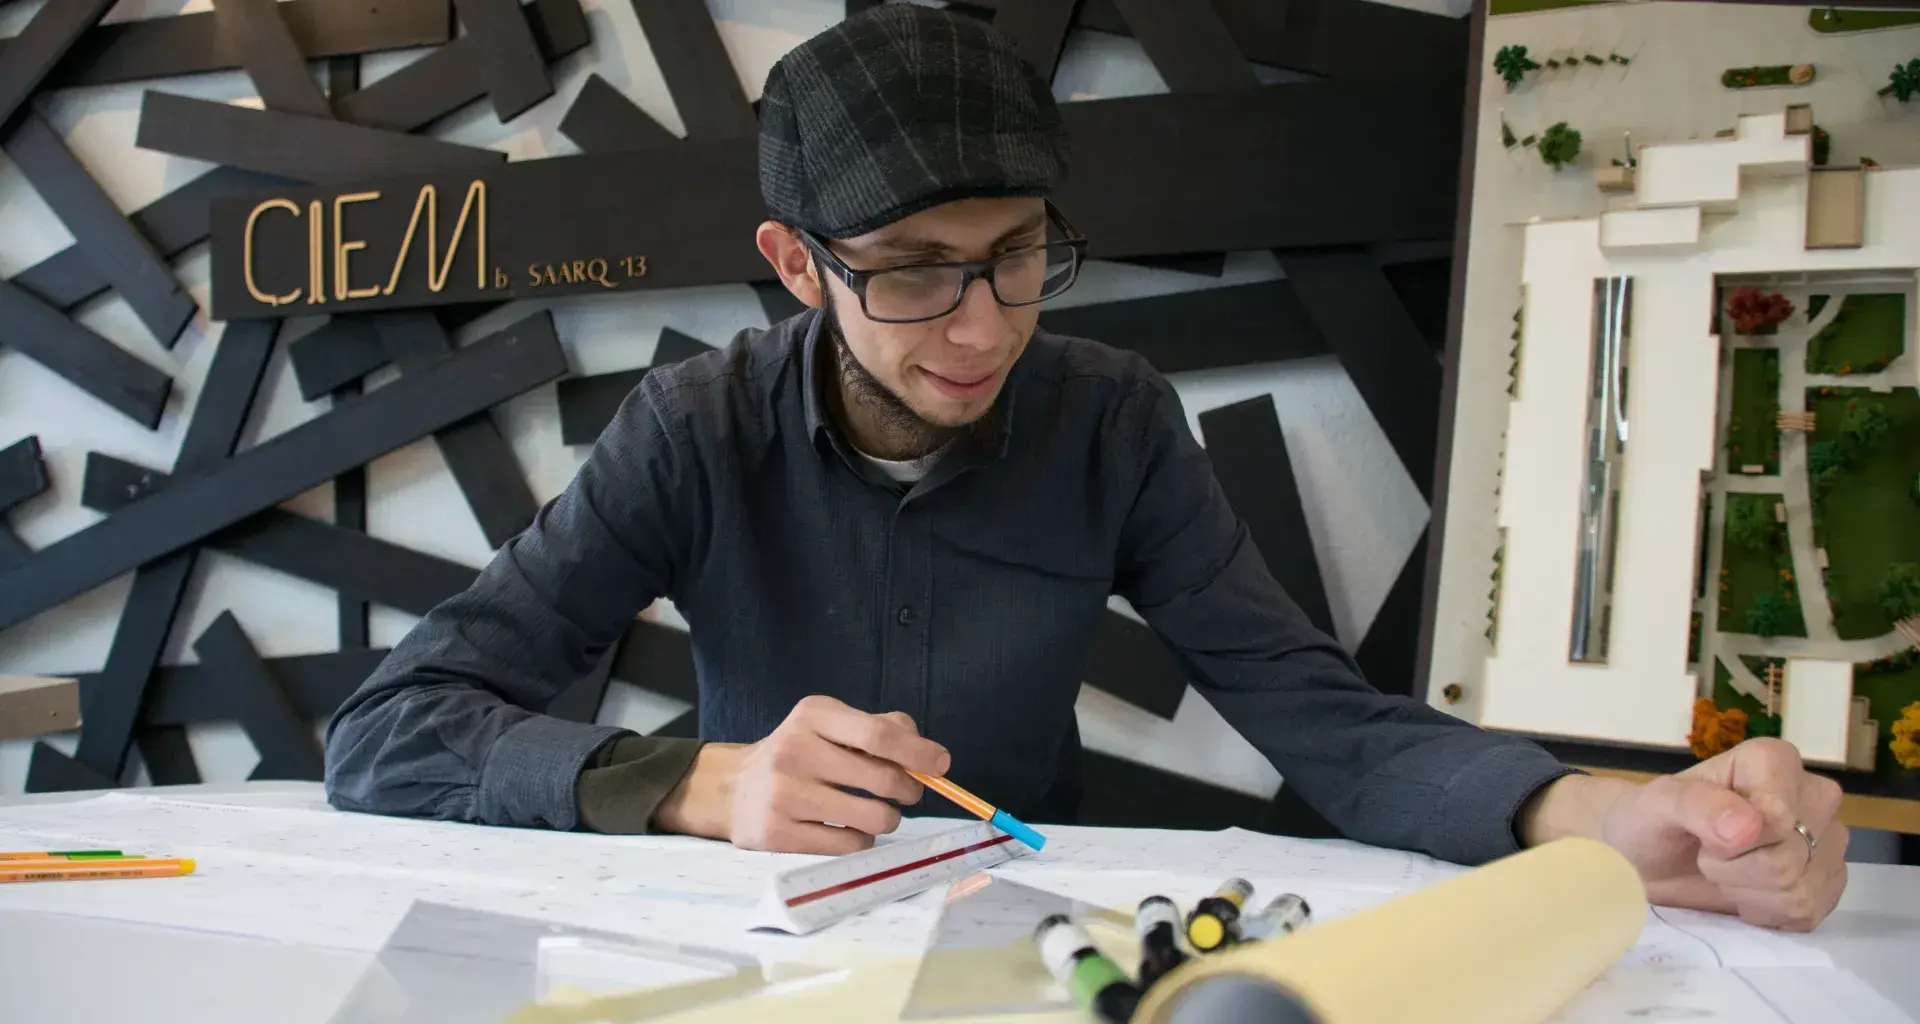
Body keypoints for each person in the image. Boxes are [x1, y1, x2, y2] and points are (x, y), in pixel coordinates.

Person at [322, 4, 1848, 932]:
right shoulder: (691, 429)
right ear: (797, 265)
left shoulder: (1110, 415)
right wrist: (695, 785)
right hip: (754, 944)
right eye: (913, 274)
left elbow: (1318, 717)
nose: (981, 328)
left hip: (1026, 936)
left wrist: (1587, 816)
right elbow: (389, 734)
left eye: (1019, 258)